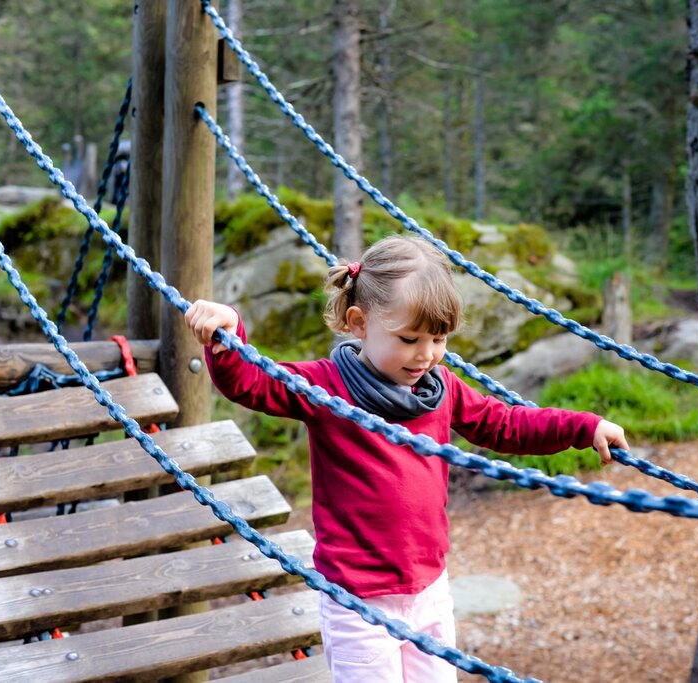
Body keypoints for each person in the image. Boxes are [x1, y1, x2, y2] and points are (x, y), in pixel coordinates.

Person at [185, 234, 629, 683]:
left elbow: (506, 424)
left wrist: (582, 427)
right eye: (410, 338)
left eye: (439, 339)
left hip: (429, 591)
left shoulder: (440, 390)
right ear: (359, 323)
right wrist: (227, 335)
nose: (426, 354)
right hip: (357, 600)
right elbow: (254, 383)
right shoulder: (328, 387)